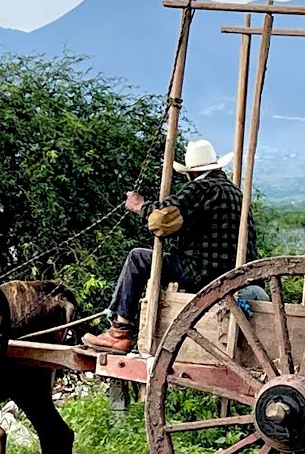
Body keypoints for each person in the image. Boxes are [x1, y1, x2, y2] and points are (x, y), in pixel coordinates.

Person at [81, 139, 258, 353]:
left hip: (202, 273)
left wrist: (140, 206)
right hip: (236, 275)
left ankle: (120, 332)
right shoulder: (235, 192)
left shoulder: (201, 187)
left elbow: (162, 217)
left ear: (191, 172)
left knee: (138, 258)